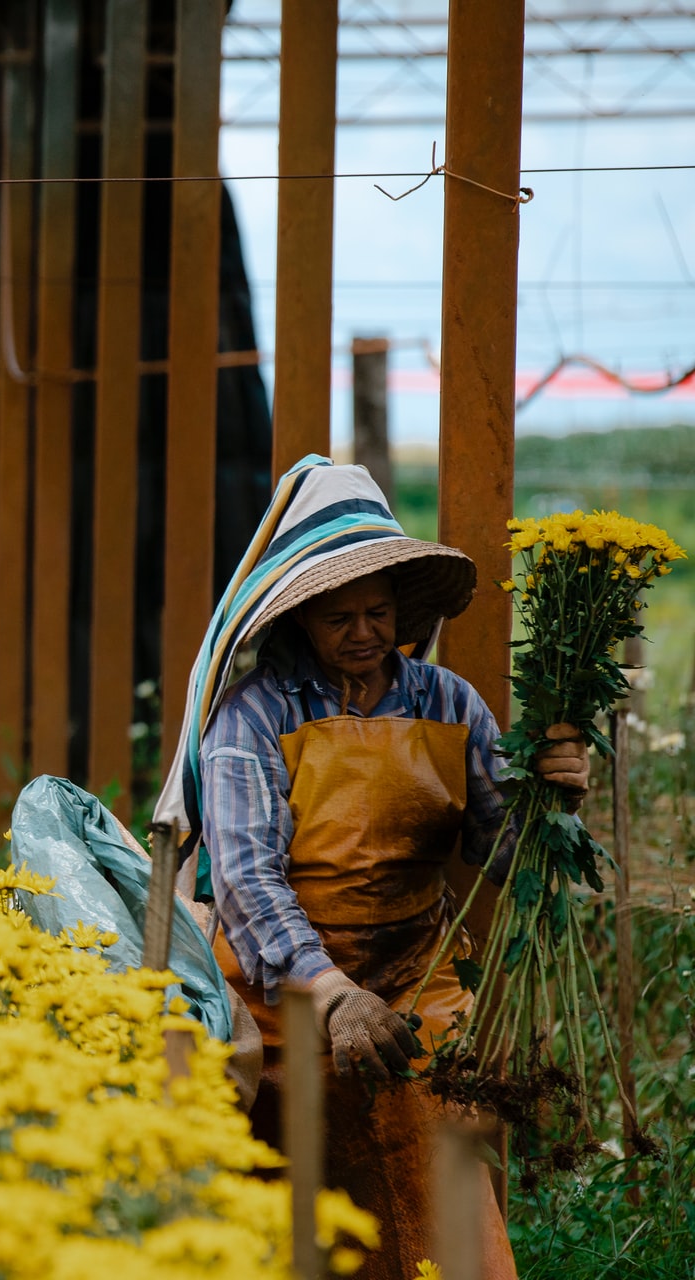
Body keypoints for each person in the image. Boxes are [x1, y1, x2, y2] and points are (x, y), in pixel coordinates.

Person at [199, 473, 588, 1280]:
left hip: (419, 981)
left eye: (377, 613)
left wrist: (553, 803)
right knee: (288, 1201)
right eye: (338, 618)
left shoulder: (450, 703)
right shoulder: (255, 714)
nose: (363, 633)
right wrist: (333, 994)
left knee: (443, 1196)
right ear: (299, 618)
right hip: (283, 992)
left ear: (403, 608)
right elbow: (245, 880)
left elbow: (501, 852)